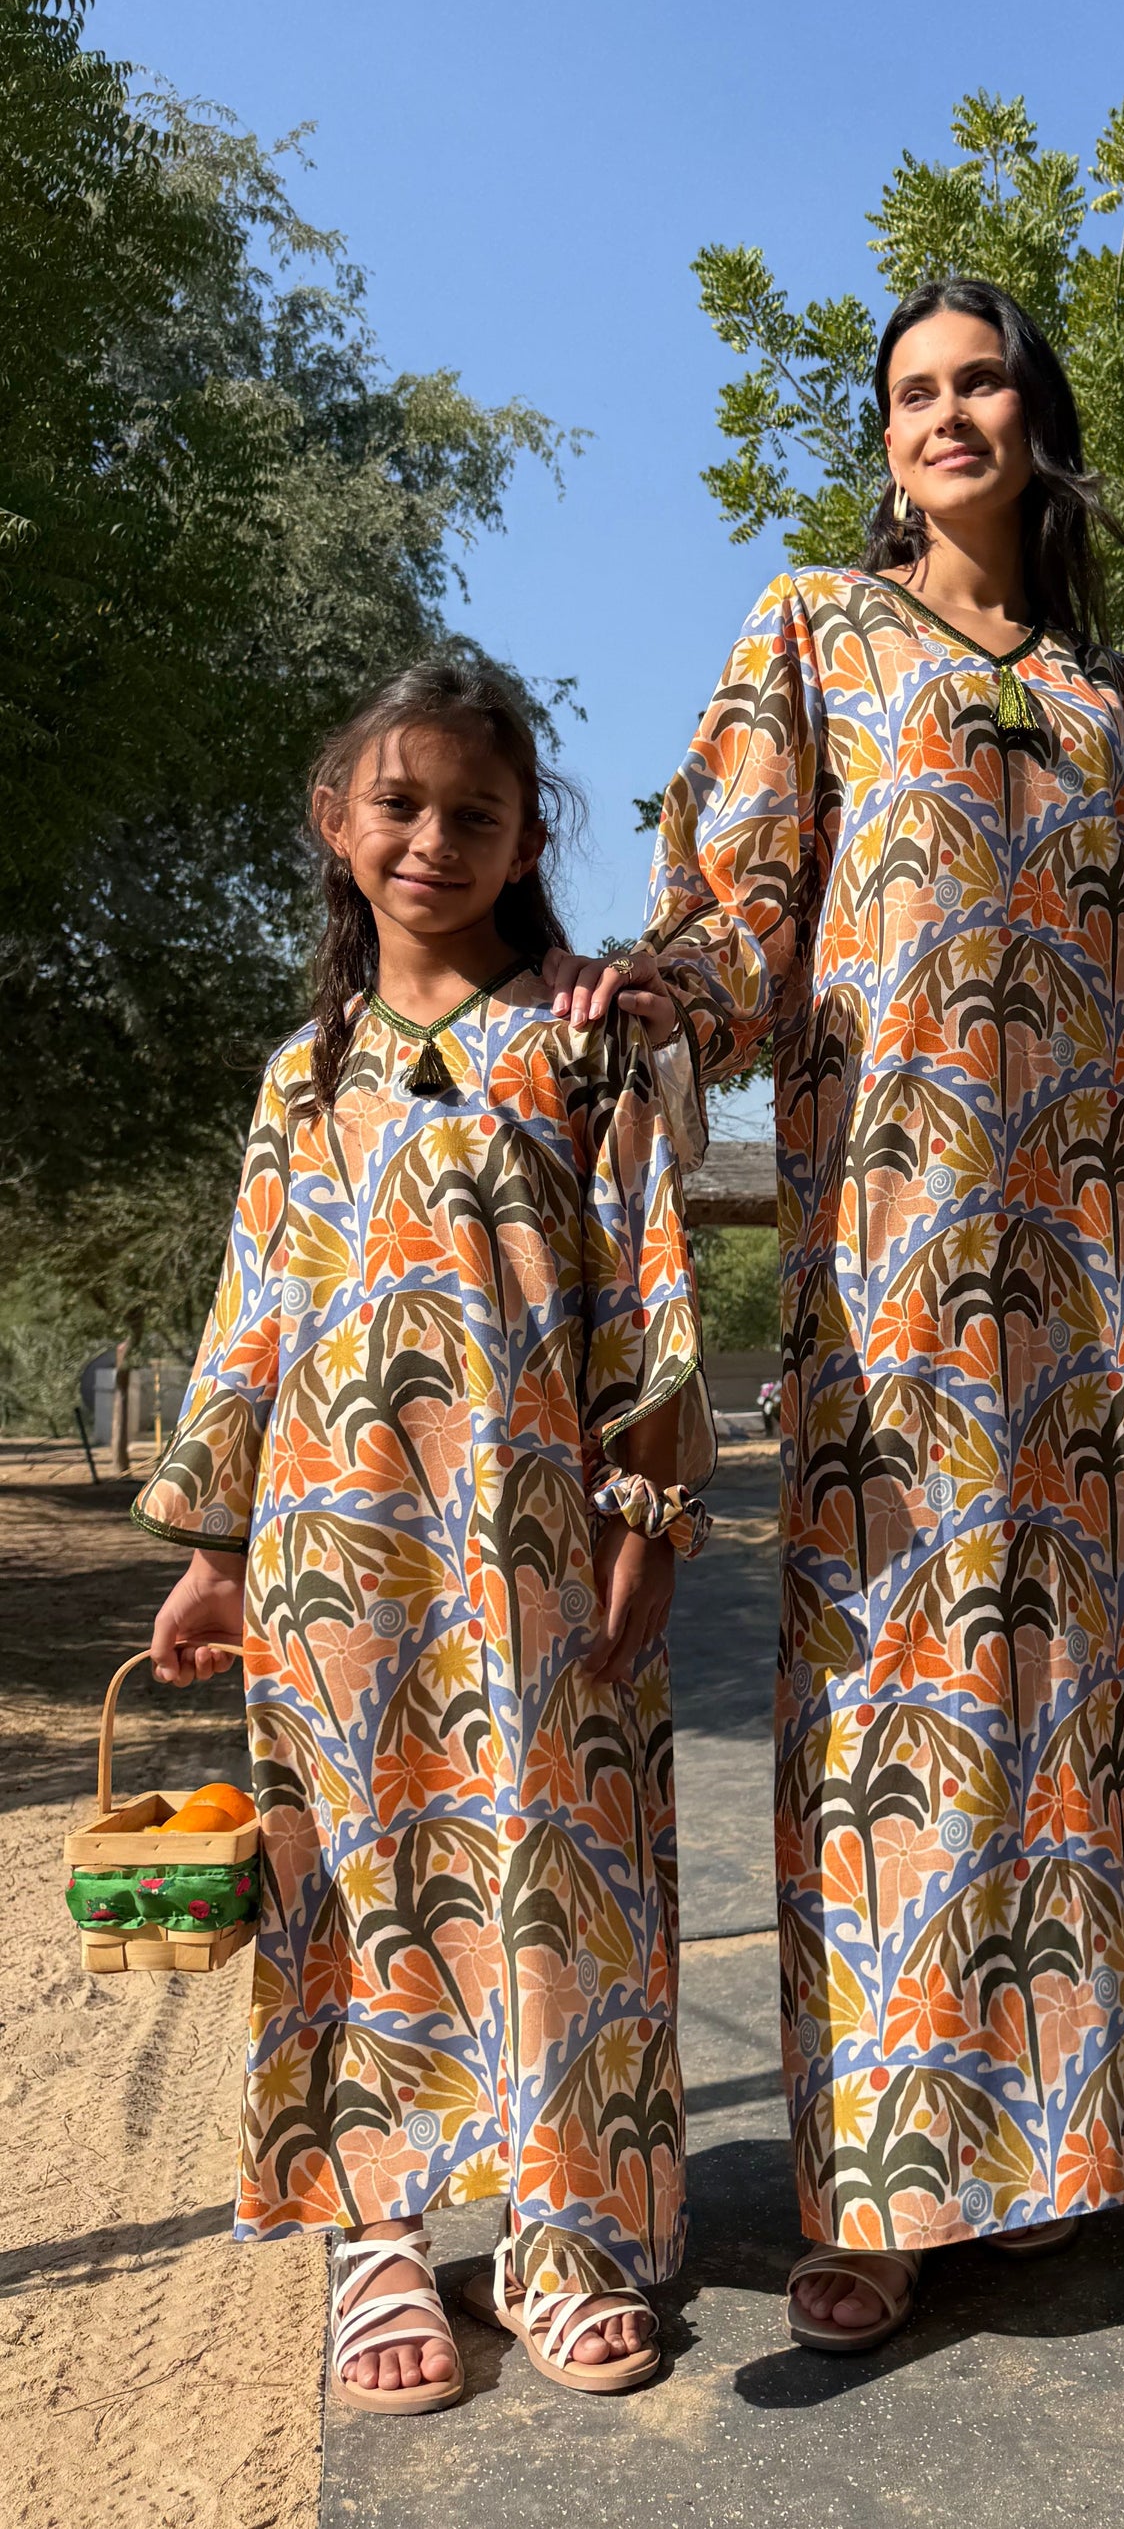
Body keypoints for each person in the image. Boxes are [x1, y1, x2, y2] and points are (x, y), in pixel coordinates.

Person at [553, 278, 1124, 2350]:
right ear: (883, 438)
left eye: (978, 384)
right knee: (899, 1694)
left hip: (1105, 1267)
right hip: (897, 1261)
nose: (943, 415)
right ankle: (878, 2177)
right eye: (908, 393)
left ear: (1040, 421)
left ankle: (1052, 2137)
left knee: (1086, 1685)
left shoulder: (1116, 699)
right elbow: (738, 904)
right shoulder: (814, 627)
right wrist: (656, 995)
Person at [137, 660, 713, 2411]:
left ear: (529, 836)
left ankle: (559, 2224)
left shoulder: (584, 1040)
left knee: (555, 1863)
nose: (432, 839)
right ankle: (378, 2231)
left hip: (534, 1540)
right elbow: (250, 1319)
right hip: (333, 1553)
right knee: (357, 1871)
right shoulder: (299, 1076)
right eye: (398, 804)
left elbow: (648, 1284)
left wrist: (649, 1512)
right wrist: (215, 1550)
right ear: (336, 822)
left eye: (475, 811)